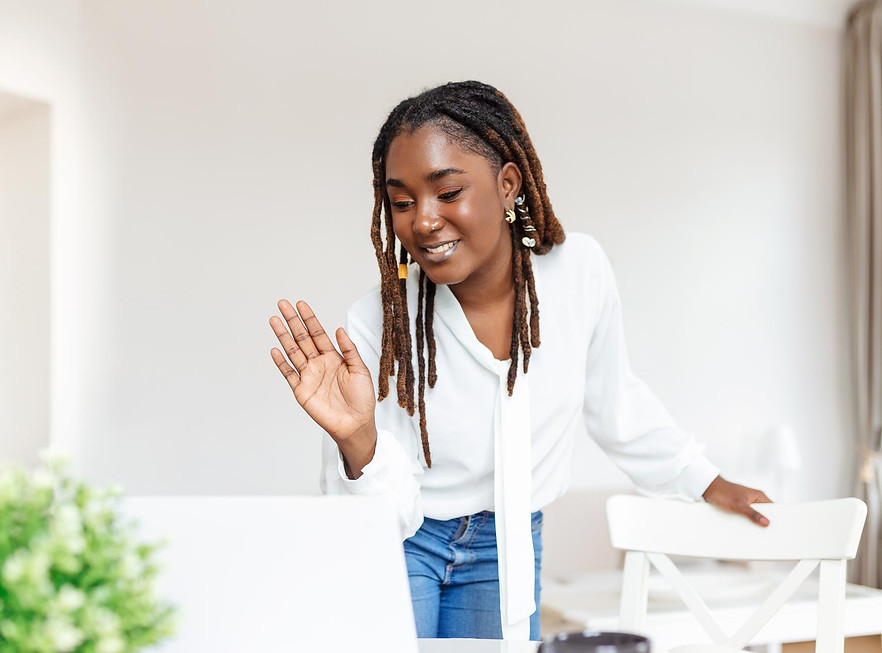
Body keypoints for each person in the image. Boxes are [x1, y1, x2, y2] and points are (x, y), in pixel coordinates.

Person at [268, 80, 771, 642]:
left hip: (507, 541)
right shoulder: (376, 323)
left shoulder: (579, 272)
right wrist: (357, 439)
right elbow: (373, 518)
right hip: (407, 539)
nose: (422, 221)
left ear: (508, 185)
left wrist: (705, 480)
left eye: (447, 192)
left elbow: (616, 403)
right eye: (402, 202)